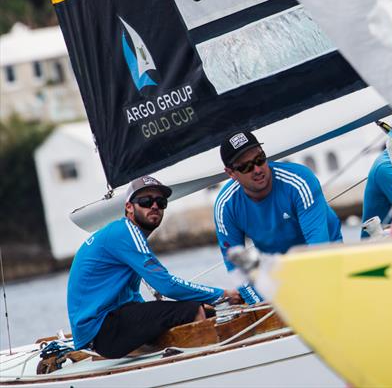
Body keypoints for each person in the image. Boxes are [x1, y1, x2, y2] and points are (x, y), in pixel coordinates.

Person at [67, 176, 239, 358]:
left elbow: (132, 298)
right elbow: (166, 286)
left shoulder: (123, 234)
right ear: (129, 208)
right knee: (193, 310)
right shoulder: (125, 232)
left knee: (205, 310)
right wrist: (222, 294)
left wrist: (160, 316)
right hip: (102, 330)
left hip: (103, 329)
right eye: (146, 201)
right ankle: (212, 363)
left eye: (160, 201)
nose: (154, 206)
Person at [214, 130, 343, 303]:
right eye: (246, 167)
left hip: (326, 258)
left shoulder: (300, 180)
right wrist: (258, 303)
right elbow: (236, 265)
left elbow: (318, 248)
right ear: (231, 173)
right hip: (279, 272)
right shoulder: (225, 206)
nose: (258, 169)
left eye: (260, 159)